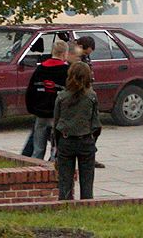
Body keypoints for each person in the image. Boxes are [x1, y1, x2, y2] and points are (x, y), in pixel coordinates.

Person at [54, 62, 100, 200]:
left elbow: (56, 123)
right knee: (87, 182)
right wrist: (92, 140)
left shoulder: (61, 97)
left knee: (65, 181)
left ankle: (65, 205)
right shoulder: (92, 96)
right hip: (86, 140)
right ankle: (86, 206)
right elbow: (96, 124)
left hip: (66, 140)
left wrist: (57, 145)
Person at [23, 41, 69, 160]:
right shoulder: (67, 71)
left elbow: (30, 91)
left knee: (38, 149)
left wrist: (32, 109)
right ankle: (54, 173)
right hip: (58, 115)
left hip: (41, 113)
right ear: (65, 54)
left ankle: (35, 172)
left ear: (52, 52)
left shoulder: (40, 69)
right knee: (56, 149)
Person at [75, 36, 105, 169]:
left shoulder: (84, 58)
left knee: (94, 126)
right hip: (80, 96)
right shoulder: (74, 58)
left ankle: (90, 155)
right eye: (87, 52)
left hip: (88, 93)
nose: (88, 55)